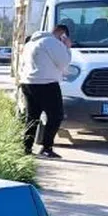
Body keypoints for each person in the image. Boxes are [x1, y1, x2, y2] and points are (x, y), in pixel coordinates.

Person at [19, 22, 72, 158]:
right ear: (63, 34)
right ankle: (47, 147)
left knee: (32, 117)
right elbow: (64, 63)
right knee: (55, 116)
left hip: (28, 83)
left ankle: (26, 147)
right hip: (46, 83)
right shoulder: (52, 42)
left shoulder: (30, 42)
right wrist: (67, 48)